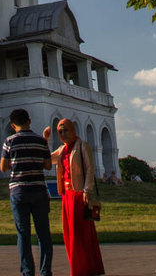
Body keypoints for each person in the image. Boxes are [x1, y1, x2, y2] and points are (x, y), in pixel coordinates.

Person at [43, 118, 105, 276]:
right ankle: (78, 268)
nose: (63, 134)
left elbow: (90, 169)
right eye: (60, 132)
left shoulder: (82, 146)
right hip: (66, 196)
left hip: (79, 195)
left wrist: (87, 190)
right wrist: (45, 140)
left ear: (73, 130)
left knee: (80, 233)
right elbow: (47, 161)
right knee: (69, 233)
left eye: (66, 130)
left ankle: (85, 269)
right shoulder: (62, 149)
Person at [0, 108, 53, 276]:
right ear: (29, 121)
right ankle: (45, 271)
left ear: (12, 124)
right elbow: (48, 165)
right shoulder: (40, 141)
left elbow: (3, 167)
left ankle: (27, 272)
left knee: (23, 234)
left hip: (19, 190)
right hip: (38, 190)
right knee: (43, 233)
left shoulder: (9, 141)